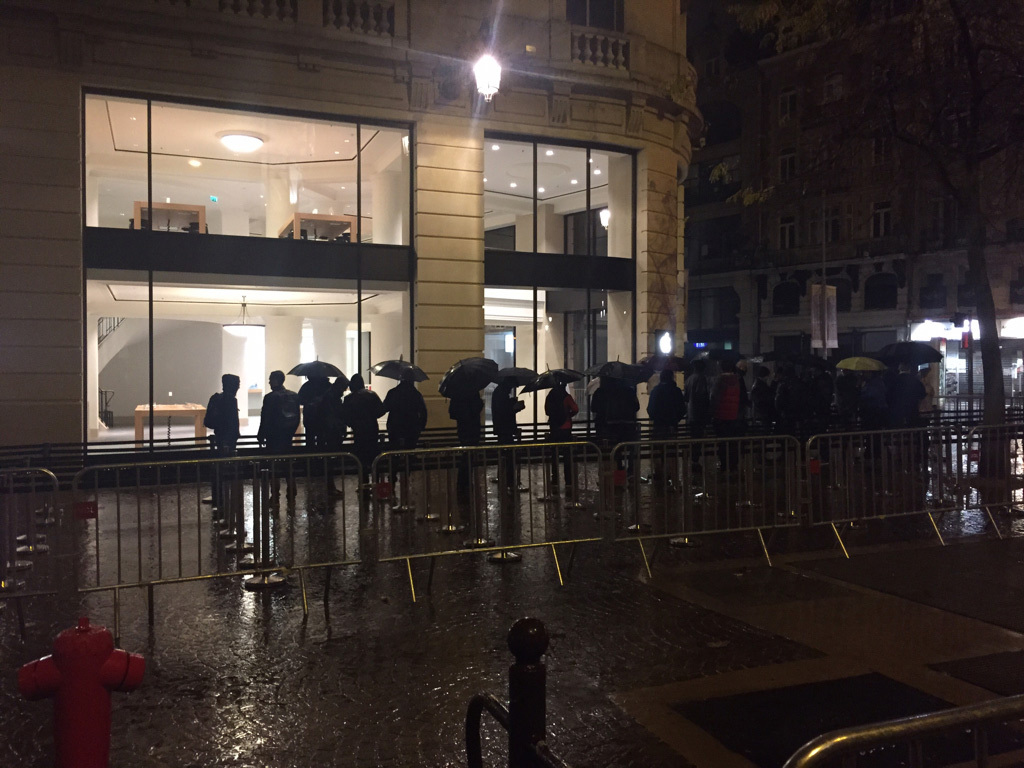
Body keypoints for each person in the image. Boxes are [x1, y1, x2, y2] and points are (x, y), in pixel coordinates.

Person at [256, 370, 300, 501]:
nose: (269, 381)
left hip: (273, 437)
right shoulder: (294, 396)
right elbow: (297, 417)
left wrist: (261, 434)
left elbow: (265, 418)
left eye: (270, 379)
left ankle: (275, 493)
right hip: (287, 436)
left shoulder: (270, 398)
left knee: (273, 465)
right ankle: (292, 488)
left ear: (276, 380)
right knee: (288, 464)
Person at [204, 373, 241, 509]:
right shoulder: (231, 401)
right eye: (237, 384)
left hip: (220, 437)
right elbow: (232, 423)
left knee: (218, 468)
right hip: (227, 440)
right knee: (225, 468)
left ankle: (218, 495)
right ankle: (222, 496)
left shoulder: (216, 399)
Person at [342, 373, 386, 485]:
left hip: (358, 431)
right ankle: (375, 482)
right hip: (372, 429)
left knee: (360, 458)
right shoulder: (372, 395)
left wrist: (353, 423)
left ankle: (363, 482)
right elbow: (381, 411)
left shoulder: (348, 399)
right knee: (373, 457)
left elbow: (345, 416)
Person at [647, 368, 685, 489]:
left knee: (657, 451)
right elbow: (682, 409)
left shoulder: (656, 391)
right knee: (671, 452)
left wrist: (656, 418)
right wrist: (675, 419)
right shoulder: (677, 391)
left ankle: (660, 476)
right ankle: (673, 478)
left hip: (658, 426)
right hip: (671, 426)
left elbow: (650, 409)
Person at [491, 377, 525, 492]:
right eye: (512, 387)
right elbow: (504, 412)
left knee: (506, 455)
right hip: (505, 429)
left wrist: (511, 403)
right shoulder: (501, 394)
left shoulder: (499, 392)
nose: (512, 389)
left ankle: (505, 479)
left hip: (502, 429)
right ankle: (509, 481)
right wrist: (515, 407)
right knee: (509, 456)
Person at [383, 369, 428, 451]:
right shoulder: (416, 394)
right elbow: (423, 412)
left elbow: (385, 408)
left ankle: (395, 463)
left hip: (395, 426)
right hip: (412, 427)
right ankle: (409, 463)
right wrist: (420, 426)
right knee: (410, 451)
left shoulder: (393, 392)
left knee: (394, 452)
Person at [544, 382, 579, 490]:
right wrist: (568, 414)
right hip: (565, 427)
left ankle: (555, 479)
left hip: (554, 428)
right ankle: (568, 480)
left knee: (554, 455)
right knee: (567, 455)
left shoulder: (550, 396)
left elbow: (547, 411)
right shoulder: (566, 397)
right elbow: (575, 409)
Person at [711, 359, 744, 470]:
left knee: (723, 443)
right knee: (733, 443)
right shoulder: (737, 380)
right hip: (734, 416)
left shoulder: (720, 380)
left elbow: (715, 398)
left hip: (721, 416)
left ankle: (724, 465)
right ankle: (734, 464)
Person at [449, 391, 484, 492]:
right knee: (468, 457)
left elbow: (453, 413)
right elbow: (475, 409)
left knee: (466, 456)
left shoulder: (457, 394)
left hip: (462, 429)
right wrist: (479, 403)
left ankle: (463, 482)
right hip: (472, 429)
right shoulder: (472, 393)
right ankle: (466, 482)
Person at [298, 374, 331, 450]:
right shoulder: (327, 386)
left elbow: (300, 399)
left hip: (310, 417)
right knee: (322, 440)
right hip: (323, 417)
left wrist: (310, 402)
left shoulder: (306, 386)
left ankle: (310, 459)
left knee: (310, 441)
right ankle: (322, 459)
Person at [749, 365, 776, 431]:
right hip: (763, 413)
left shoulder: (758, 385)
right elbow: (760, 400)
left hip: (762, 412)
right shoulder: (760, 386)